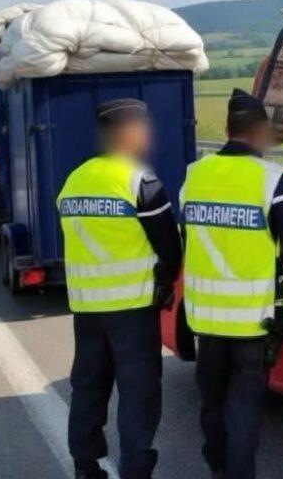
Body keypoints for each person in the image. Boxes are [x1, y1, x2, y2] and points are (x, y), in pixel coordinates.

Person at [180, 89, 283, 479]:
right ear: (260, 132)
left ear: (226, 129)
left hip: (206, 322)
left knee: (212, 404)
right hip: (253, 324)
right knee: (243, 411)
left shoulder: (194, 175)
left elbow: (187, 237)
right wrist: (276, 273)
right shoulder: (270, 180)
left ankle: (218, 468)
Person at [57, 99, 183, 479]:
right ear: (126, 133)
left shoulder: (74, 180)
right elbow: (170, 246)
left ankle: (85, 465)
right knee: (138, 394)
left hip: (86, 310)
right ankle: (136, 470)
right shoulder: (138, 180)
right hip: (132, 310)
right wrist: (165, 282)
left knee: (88, 387)